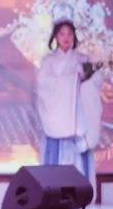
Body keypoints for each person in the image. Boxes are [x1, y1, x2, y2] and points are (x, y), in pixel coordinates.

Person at [37, 20, 102, 196]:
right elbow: (43, 86)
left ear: (74, 36)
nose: (66, 38)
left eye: (69, 34)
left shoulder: (82, 59)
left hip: (77, 118)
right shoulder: (48, 61)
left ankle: (82, 194)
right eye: (62, 34)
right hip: (57, 116)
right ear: (56, 37)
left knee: (79, 155)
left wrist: (84, 79)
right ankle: (53, 194)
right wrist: (70, 80)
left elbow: (95, 81)